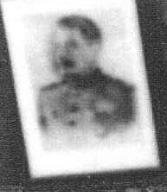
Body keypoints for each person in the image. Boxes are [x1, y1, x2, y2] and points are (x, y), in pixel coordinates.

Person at [39, 15, 135, 147]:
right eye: (57, 46)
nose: (62, 54)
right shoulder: (46, 97)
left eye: (72, 45)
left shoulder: (124, 95)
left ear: (94, 48)